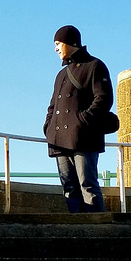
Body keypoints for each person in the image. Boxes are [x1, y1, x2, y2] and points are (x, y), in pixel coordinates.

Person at [43, 25, 113, 213]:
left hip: (85, 137)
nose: (56, 48)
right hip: (59, 140)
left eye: (58, 43)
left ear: (70, 42)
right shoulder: (61, 75)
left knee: (87, 184)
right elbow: (52, 106)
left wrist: (82, 121)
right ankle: (78, 227)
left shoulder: (94, 65)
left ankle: (98, 231)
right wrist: (48, 127)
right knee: (69, 188)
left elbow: (104, 98)